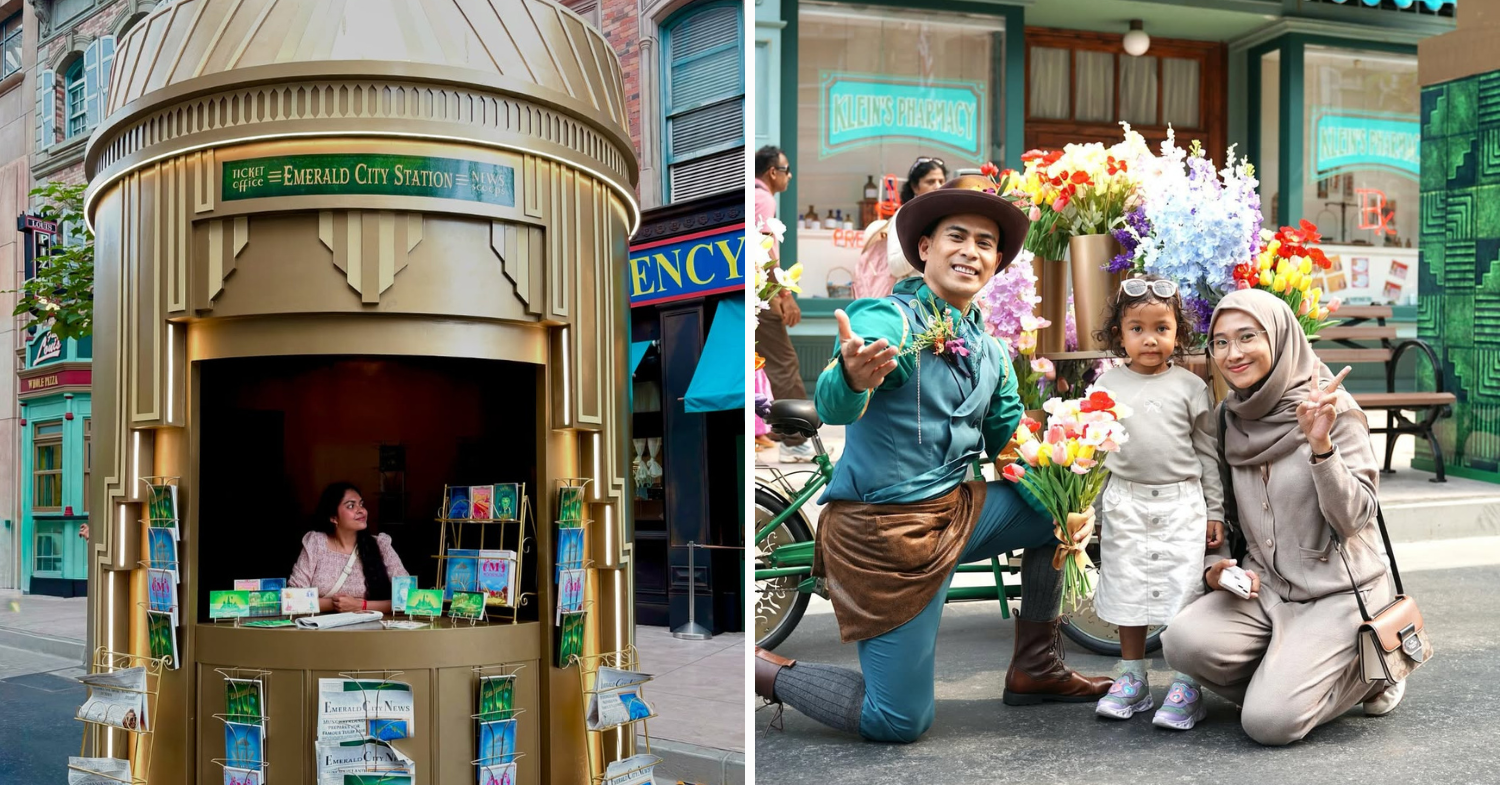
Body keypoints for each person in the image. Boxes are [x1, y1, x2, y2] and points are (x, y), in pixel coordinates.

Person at [753, 176, 1110, 744]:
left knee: (1053, 512)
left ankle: (1036, 666)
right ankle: (761, 669)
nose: (971, 251)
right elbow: (833, 399)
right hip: (885, 537)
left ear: (995, 262)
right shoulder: (889, 318)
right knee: (897, 721)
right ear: (925, 249)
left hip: (957, 512)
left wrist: (1069, 500)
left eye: (985, 243)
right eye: (956, 237)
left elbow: (1009, 439)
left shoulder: (990, 349)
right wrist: (851, 373)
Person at [1162, 288, 1405, 745]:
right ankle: (1288, 675)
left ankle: (1374, 675)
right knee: (1181, 641)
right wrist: (1214, 568)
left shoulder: (1334, 408)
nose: (1232, 354)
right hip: (1266, 588)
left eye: (1248, 337)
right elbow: (1224, 515)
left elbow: (1355, 518)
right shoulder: (1230, 417)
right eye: (1220, 342)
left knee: (1268, 724)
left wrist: (1320, 447)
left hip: (1337, 592)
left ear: (1280, 337)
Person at [1085, 275, 1226, 729]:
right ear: (1118, 335)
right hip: (1125, 502)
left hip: (1182, 505)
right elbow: (1097, 453)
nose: (1150, 339)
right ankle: (1133, 679)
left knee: (1183, 591)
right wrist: (1093, 510)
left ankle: (1187, 682)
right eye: (1137, 329)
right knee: (1128, 588)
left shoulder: (1191, 387)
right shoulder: (1106, 385)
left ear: (1178, 333)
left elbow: (1207, 453)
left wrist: (1215, 509)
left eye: (1162, 328)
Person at [753, 145, 814, 462]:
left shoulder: (756, 196)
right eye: (786, 169)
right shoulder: (763, 197)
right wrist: (784, 295)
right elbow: (763, 251)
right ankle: (796, 438)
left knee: (762, 365)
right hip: (761, 295)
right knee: (784, 364)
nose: (789, 176)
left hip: (756, 294)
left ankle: (779, 431)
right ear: (772, 172)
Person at [289, 482, 409, 613]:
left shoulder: (381, 545)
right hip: (321, 630)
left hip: (370, 630)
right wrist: (335, 604)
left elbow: (407, 598)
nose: (361, 510)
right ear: (333, 517)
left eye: (361, 504)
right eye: (351, 506)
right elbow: (292, 598)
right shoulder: (316, 543)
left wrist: (361, 606)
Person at [856, 158, 949, 298]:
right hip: (912, 303)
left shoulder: (947, 217)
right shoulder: (904, 216)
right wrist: (918, 232)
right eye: (930, 181)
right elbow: (896, 268)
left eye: (941, 181)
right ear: (915, 187)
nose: (937, 186)